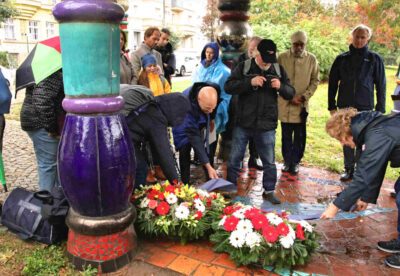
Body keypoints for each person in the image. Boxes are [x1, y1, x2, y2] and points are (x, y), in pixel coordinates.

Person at [320, 108, 400, 269]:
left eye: (340, 139)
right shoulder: (370, 127)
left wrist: (334, 206)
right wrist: (366, 197)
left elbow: (362, 177)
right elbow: (377, 165)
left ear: (347, 133)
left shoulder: (377, 134)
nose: (343, 144)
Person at [225, 39, 295, 204]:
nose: (267, 63)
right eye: (264, 58)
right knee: (235, 158)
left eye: (270, 59)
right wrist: (249, 82)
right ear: (256, 52)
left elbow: (291, 92)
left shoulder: (278, 68)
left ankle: (269, 190)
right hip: (243, 122)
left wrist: (281, 86)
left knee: (269, 161)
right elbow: (228, 86)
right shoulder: (244, 66)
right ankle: (229, 188)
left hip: (266, 124)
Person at [328, 24, 386, 182]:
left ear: (368, 39)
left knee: (362, 140)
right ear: (352, 37)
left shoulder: (374, 59)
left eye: (363, 37)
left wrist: (380, 109)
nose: (359, 40)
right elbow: (333, 83)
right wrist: (332, 106)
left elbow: (381, 85)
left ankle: (360, 171)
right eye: (357, 36)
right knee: (346, 139)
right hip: (345, 107)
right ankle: (348, 169)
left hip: (365, 108)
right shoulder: (342, 58)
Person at [120, 85, 190, 187]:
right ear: (174, 110)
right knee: (140, 168)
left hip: (124, 136)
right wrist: (176, 182)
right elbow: (164, 152)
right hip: (124, 140)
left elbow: (155, 146)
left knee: (140, 165)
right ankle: (136, 196)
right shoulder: (157, 120)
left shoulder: (154, 108)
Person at [277, 31, 320, 175]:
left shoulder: (311, 59)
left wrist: (303, 97)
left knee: (300, 136)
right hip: (285, 104)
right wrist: (289, 96)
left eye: (302, 44)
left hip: (301, 105)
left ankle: (295, 162)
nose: (299, 47)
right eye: (296, 44)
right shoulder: (282, 58)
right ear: (292, 43)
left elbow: (315, 80)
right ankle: (287, 161)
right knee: (286, 134)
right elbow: (276, 79)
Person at [20, 70, 65, 192]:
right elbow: (42, 100)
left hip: (35, 119)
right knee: (48, 165)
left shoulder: (48, 67)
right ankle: (47, 205)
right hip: (39, 122)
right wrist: (52, 128)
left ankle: (57, 200)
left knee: (52, 164)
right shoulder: (52, 70)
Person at [172, 82, 221, 184]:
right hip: (183, 124)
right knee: (185, 149)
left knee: (208, 147)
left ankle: (211, 179)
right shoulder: (185, 104)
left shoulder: (214, 90)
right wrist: (207, 164)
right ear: (199, 100)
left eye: (213, 108)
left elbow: (213, 107)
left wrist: (211, 119)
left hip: (200, 118)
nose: (211, 111)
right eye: (208, 108)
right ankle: (185, 183)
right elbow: (195, 138)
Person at [192, 42, 231, 166]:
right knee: (198, 132)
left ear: (216, 54)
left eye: (211, 53)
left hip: (214, 107)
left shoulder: (223, 71)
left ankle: (209, 161)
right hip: (198, 106)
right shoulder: (200, 67)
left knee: (211, 134)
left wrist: (215, 107)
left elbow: (222, 91)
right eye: (206, 52)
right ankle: (199, 157)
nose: (208, 55)